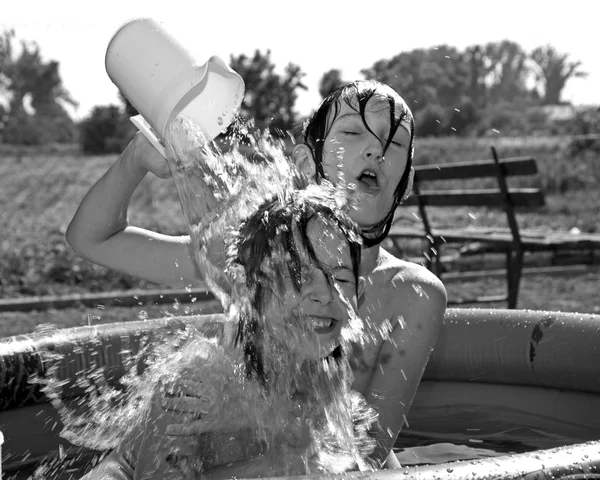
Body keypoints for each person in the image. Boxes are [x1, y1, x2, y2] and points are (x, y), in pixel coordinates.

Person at [66, 79, 447, 467]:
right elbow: (93, 239)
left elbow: (367, 449)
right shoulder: (256, 258)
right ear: (303, 162)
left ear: (408, 182)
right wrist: (136, 159)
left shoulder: (411, 294)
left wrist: (251, 412)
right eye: (351, 132)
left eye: (393, 143)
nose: (374, 150)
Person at [80, 184, 377, 479]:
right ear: (244, 288)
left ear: (359, 296)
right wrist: (275, 466)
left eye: (339, 278)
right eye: (297, 275)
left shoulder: (325, 373)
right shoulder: (196, 387)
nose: (324, 294)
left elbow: (356, 459)